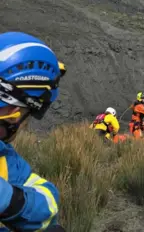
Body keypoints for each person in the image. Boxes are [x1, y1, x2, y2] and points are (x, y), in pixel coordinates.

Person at [0, 31, 66, 231]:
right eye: (26, 114)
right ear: (13, 110)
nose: (23, 123)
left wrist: (11, 200)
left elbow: (49, 200)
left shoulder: (5, 158)